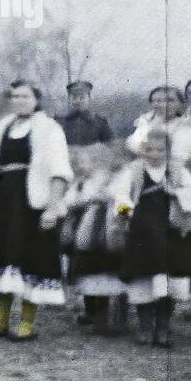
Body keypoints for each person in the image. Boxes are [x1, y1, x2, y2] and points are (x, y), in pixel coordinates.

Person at [0, 80, 72, 341]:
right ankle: (0, 321)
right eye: (15, 96)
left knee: (31, 256)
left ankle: (26, 323)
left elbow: (60, 171)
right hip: (1, 201)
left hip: (32, 203)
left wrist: (52, 208)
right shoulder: (2, 128)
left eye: (25, 95)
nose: (19, 100)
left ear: (36, 99)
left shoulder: (49, 129)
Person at [112, 130, 191, 347]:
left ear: (168, 150)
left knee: (169, 282)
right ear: (142, 150)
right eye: (149, 150)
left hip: (171, 232)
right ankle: (146, 328)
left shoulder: (178, 172)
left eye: (160, 150)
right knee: (143, 280)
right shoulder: (134, 171)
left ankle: (164, 328)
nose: (155, 154)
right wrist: (127, 213)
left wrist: (175, 193)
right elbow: (120, 195)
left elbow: (190, 194)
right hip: (141, 233)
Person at [63, 142, 127, 334]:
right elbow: (72, 201)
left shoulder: (123, 178)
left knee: (114, 273)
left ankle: (116, 317)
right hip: (89, 231)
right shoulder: (87, 181)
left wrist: (123, 216)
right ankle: (97, 316)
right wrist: (87, 200)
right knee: (92, 272)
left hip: (114, 229)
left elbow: (125, 201)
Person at [126, 85, 185, 155]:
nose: (164, 105)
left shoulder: (186, 124)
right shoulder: (148, 120)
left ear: (180, 104)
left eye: (170, 100)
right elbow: (133, 145)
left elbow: (181, 153)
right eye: (160, 101)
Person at [58, 80, 113, 147]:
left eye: (82, 97)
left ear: (89, 99)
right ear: (69, 99)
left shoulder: (100, 123)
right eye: (74, 97)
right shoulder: (61, 123)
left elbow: (110, 147)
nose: (78, 101)